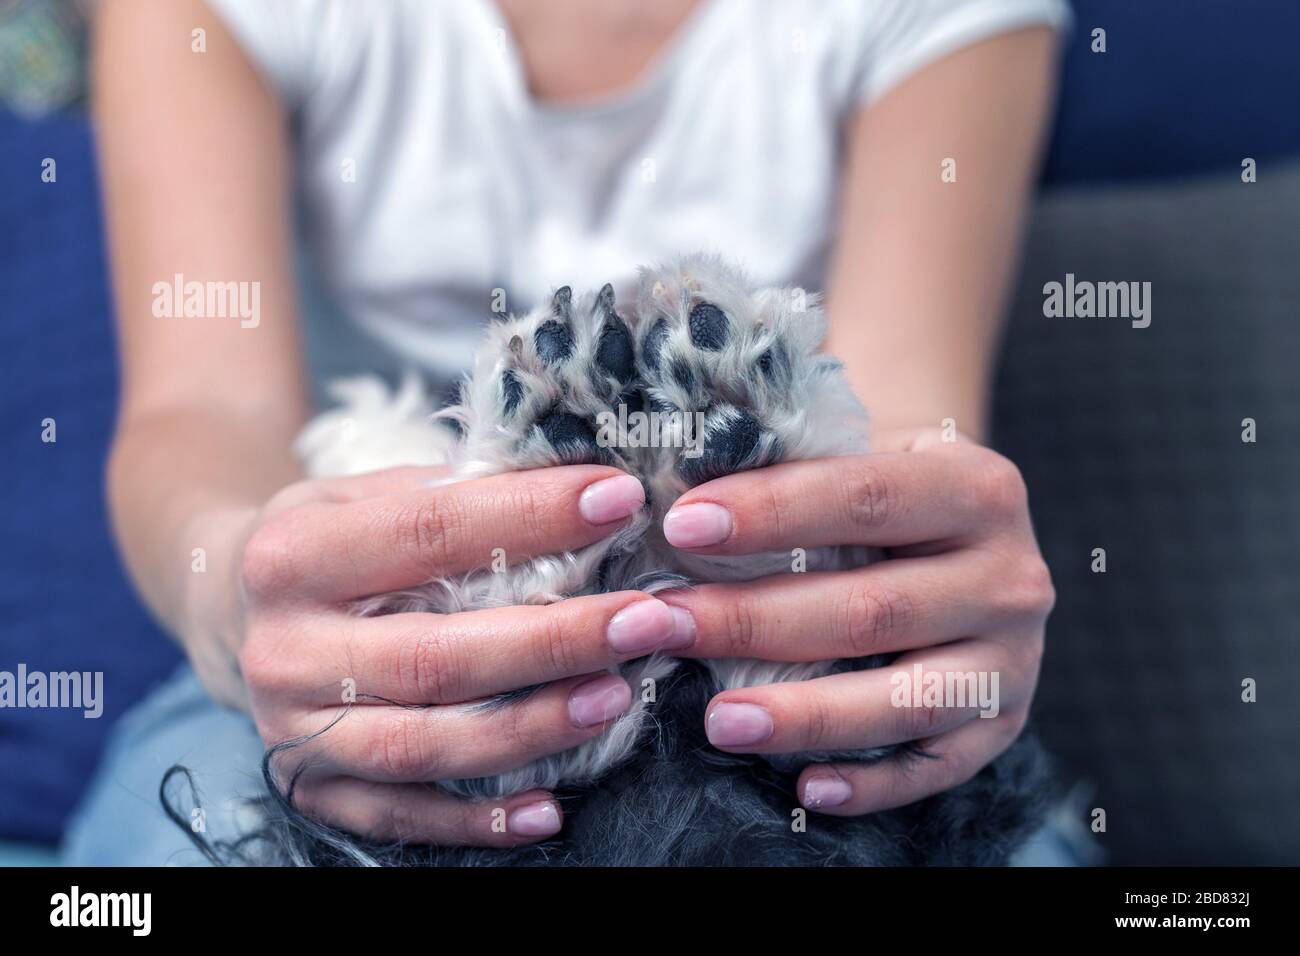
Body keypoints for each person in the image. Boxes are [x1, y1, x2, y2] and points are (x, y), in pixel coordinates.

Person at [68, 0, 1069, 863]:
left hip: (783, 666)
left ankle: (706, 543)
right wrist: (253, 589)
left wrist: (907, 573)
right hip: (334, 666)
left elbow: (906, 421)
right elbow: (203, 412)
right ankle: (521, 569)